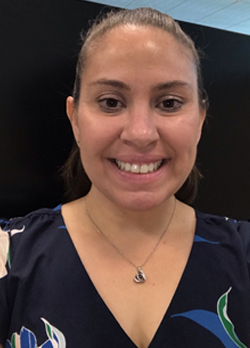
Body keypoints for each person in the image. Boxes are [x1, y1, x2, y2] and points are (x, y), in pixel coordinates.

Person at [0, 7, 250, 348]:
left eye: (170, 102)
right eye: (111, 102)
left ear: (201, 119)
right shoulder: (8, 255)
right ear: (75, 119)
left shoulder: (244, 252)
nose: (141, 133)